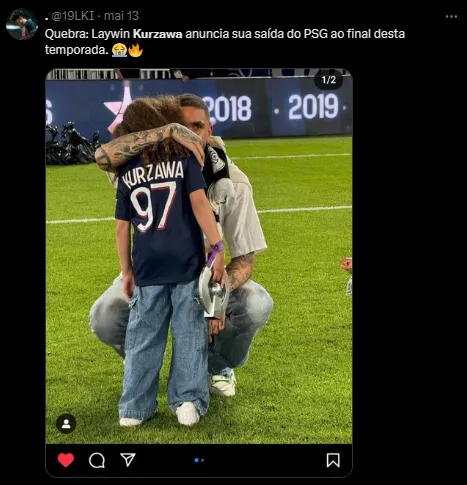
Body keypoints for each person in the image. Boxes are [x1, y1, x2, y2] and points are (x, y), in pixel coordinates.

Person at [91, 94, 274, 397]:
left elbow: (245, 262)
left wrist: (215, 297)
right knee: (105, 315)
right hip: (152, 276)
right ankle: (144, 362)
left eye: (197, 127)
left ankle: (216, 365)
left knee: (256, 304)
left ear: (210, 130)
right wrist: (165, 132)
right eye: (180, 126)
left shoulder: (233, 181)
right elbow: (102, 157)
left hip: (205, 280)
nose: (189, 134)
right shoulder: (144, 162)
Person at [113, 95, 226, 427]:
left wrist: (126, 271)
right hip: (186, 262)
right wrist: (217, 246)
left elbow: (121, 228)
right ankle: (187, 402)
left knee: (143, 338)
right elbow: (199, 203)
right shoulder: (185, 158)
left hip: (147, 267)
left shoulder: (126, 171)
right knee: (189, 332)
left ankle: (133, 408)